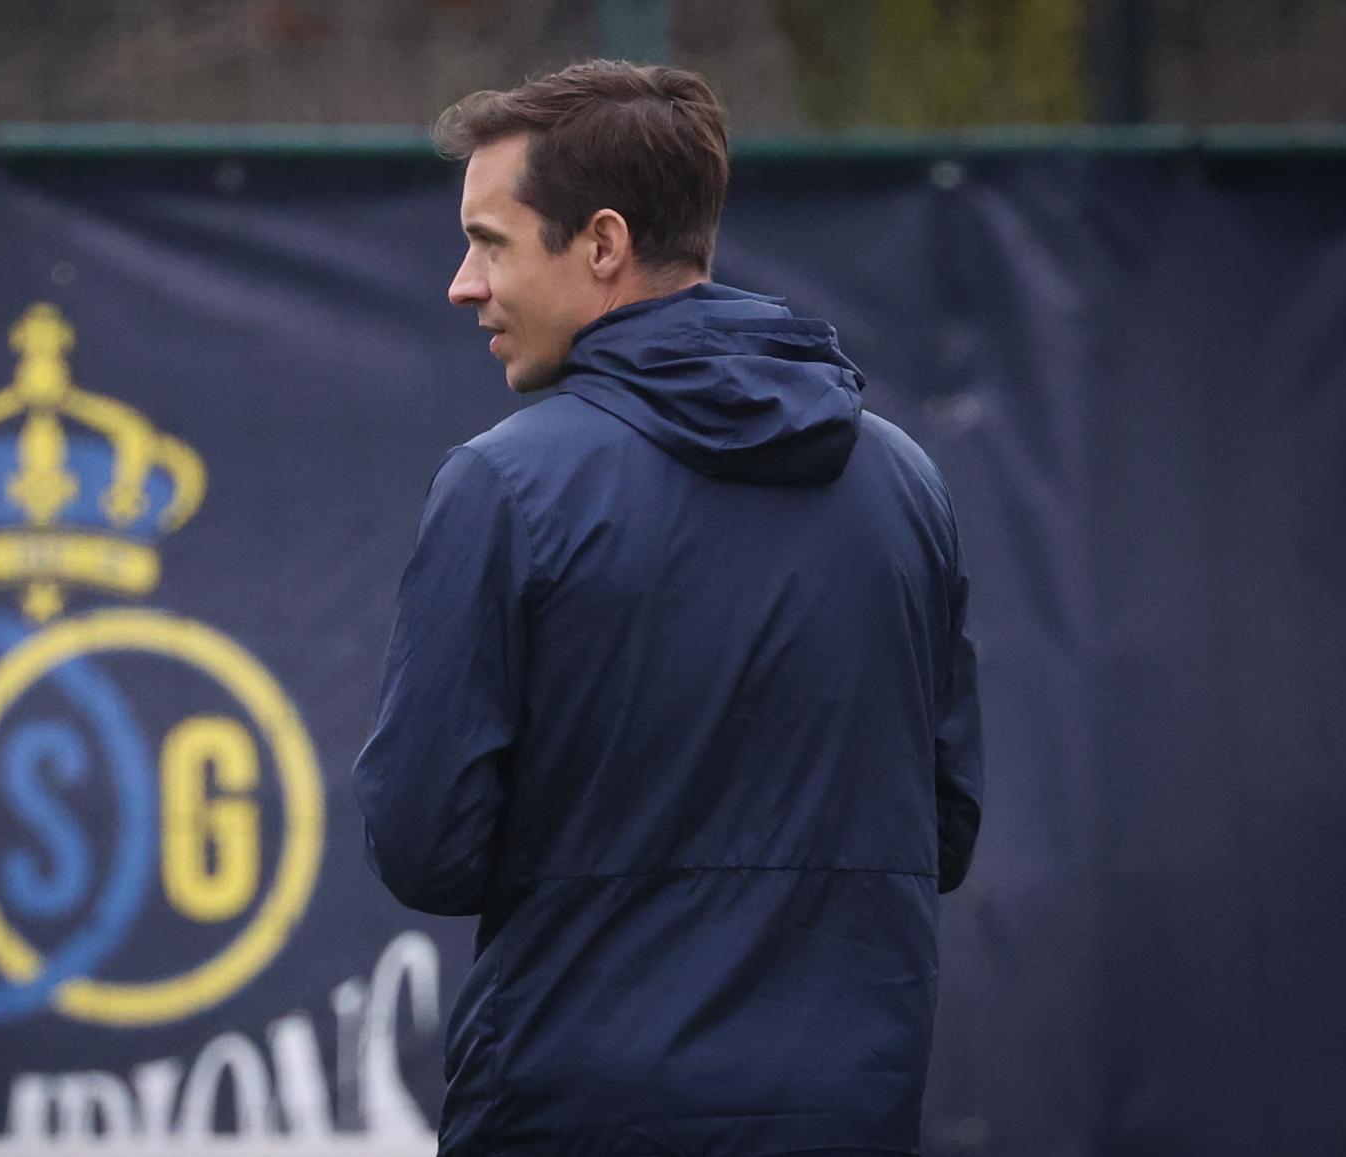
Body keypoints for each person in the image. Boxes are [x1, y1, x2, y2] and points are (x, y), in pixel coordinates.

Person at [350, 60, 983, 1157]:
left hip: (571, 1112)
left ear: (600, 244)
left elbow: (423, 846)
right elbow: (947, 827)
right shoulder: (906, 482)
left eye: (490, 242)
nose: (463, 283)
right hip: (847, 1112)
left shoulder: (502, 484)